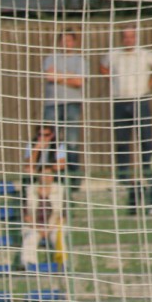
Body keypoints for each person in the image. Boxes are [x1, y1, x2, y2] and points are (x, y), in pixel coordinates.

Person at [100, 26, 152, 214]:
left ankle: (151, 183)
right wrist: (113, 81)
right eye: (126, 36)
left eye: (131, 36)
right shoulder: (114, 54)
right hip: (120, 100)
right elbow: (102, 66)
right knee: (122, 143)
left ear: (135, 38)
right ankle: (125, 181)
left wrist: (150, 83)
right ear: (122, 38)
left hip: (140, 100)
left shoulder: (144, 54)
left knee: (146, 142)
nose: (128, 39)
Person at [42, 29, 86, 189]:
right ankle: (50, 177)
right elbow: (49, 76)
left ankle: (74, 181)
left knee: (71, 142)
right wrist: (69, 76)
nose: (66, 43)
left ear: (74, 42)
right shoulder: (51, 58)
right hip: (52, 104)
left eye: (69, 40)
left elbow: (79, 82)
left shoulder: (80, 60)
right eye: (63, 40)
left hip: (72, 103)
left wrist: (60, 76)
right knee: (49, 140)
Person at [20, 166, 64, 267]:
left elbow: (63, 215)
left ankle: (61, 263)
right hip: (34, 225)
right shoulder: (29, 191)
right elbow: (26, 215)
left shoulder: (60, 190)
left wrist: (50, 228)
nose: (47, 177)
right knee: (31, 237)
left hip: (54, 225)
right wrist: (38, 228)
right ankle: (28, 264)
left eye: (49, 174)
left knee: (57, 236)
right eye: (44, 174)